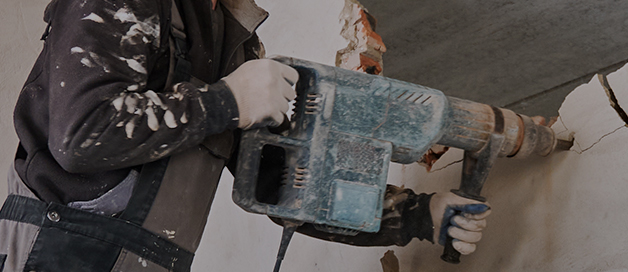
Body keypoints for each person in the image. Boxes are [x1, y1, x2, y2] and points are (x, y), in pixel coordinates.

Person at [1, 0, 490, 271]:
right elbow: (82, 133)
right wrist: (224, 103)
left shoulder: (230, 39)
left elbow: (285, 183)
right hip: (53, 257)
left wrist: (417, 216)